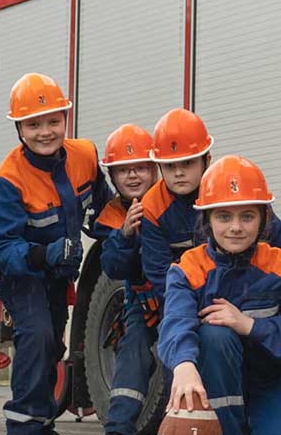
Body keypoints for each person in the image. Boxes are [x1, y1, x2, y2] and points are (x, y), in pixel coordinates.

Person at [157, 155, 281, 435]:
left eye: (247, 216)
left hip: (275, 383)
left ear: (263, 219)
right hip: (210, 386)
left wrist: (249, 325)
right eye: (224, 216)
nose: (236, 227)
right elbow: (175, 323)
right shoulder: (187, 270)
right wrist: (184, 366)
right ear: (207, 220)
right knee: (214, 334)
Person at [0, 73, 111, 435]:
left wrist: (126, 231)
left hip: (59, 271)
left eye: (53, 121)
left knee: (53, 341)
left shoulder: (84, 155)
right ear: (19, 129)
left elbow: (100, 210)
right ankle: (23, 425)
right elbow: (1, 245)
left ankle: (41, 423)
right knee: (37, 335)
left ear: (65, 120)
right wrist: (44, 255)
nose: (45, 131)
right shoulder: (11, 179)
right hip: (21, 271)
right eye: (34, 124)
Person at [139, 108, 281, 296]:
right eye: (169, 166)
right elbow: (160, 276)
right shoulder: (152, 207)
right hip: (185, 298)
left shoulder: (236, 185)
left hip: (249, 296)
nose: (178, 172)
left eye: (187, 163)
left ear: (207, 159)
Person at [93, 124, 162, 435]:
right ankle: (119, 427)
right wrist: (125, 235)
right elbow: (113, 267)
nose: (133, 176)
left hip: (184, 299)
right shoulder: (110, 216)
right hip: (143, 304)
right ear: (112, 177)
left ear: (155, 169)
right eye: (124, 170)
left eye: (141, 168)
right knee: (131, 352)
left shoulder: (171, 201)